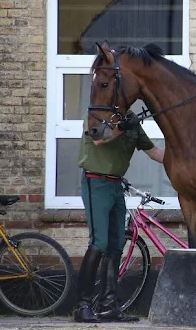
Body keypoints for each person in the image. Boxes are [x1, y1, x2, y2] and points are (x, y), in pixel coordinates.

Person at [73, 110, 164, 323]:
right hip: (96, 183)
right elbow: (98, 140)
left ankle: (108, 307)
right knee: (99, 242)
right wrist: (122, 127)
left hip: (116, 186)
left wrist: (184, 157)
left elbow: (155, 153)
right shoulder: (96, 115)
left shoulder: (132, 123)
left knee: (116, 245)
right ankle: (82, 305)